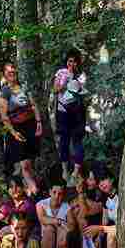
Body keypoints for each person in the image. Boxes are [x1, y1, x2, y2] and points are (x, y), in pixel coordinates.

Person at [0, 61, 42, 194]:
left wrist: (39, 123)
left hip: (30, 125)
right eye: (9, 72)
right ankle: (35, 193)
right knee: (25, 165)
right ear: (4, 75)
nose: (12, 73)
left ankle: (32, 190)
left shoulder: (23, 87)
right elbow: (4, 116)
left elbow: (33, 105)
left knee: (31, 162)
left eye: (13, 71)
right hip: (17, 128)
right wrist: (13, 132)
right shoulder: (4, 92)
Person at [53, 49, 87, 181]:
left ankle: (76, 171)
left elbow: (82, 92)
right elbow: (55, 89)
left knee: (77, 140)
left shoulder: (81, 75)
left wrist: (77, 84)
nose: (72, 64)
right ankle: (65, 170)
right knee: (64, 141)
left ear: (78, 64)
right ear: (66, 61)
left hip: (77, 112)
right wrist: (66, 82)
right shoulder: (61, 73)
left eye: (74, 62)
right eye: (70, 61)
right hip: (63, 112)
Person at [36, 180, 70, 248]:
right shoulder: (41, 204)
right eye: (54, 192)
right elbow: (43, 219)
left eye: (60, 194)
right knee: (49, 229)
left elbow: (71, 225)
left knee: (61, 230)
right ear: (50, 192)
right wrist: (59, 222)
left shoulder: (66, 207)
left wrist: (62, 227)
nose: (56, 196)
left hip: (61, 237)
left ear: (63, 195)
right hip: (47, 237)